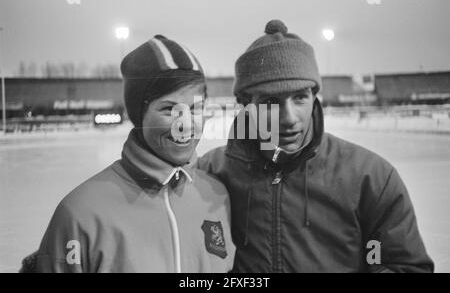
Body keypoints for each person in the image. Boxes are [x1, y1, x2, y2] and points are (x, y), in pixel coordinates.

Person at [197, 20, 434, 273]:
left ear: (314, 97)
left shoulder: (370, 177)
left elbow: (404, 266)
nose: (289, 118)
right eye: (271, 102)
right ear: (246, 104)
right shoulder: (211, 174)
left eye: (300, 97)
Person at [21, 35, 235, 273]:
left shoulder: (217, 197)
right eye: (168, 109)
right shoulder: (80, 214)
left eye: (196, 108)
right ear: (138, 115)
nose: (185, 124)